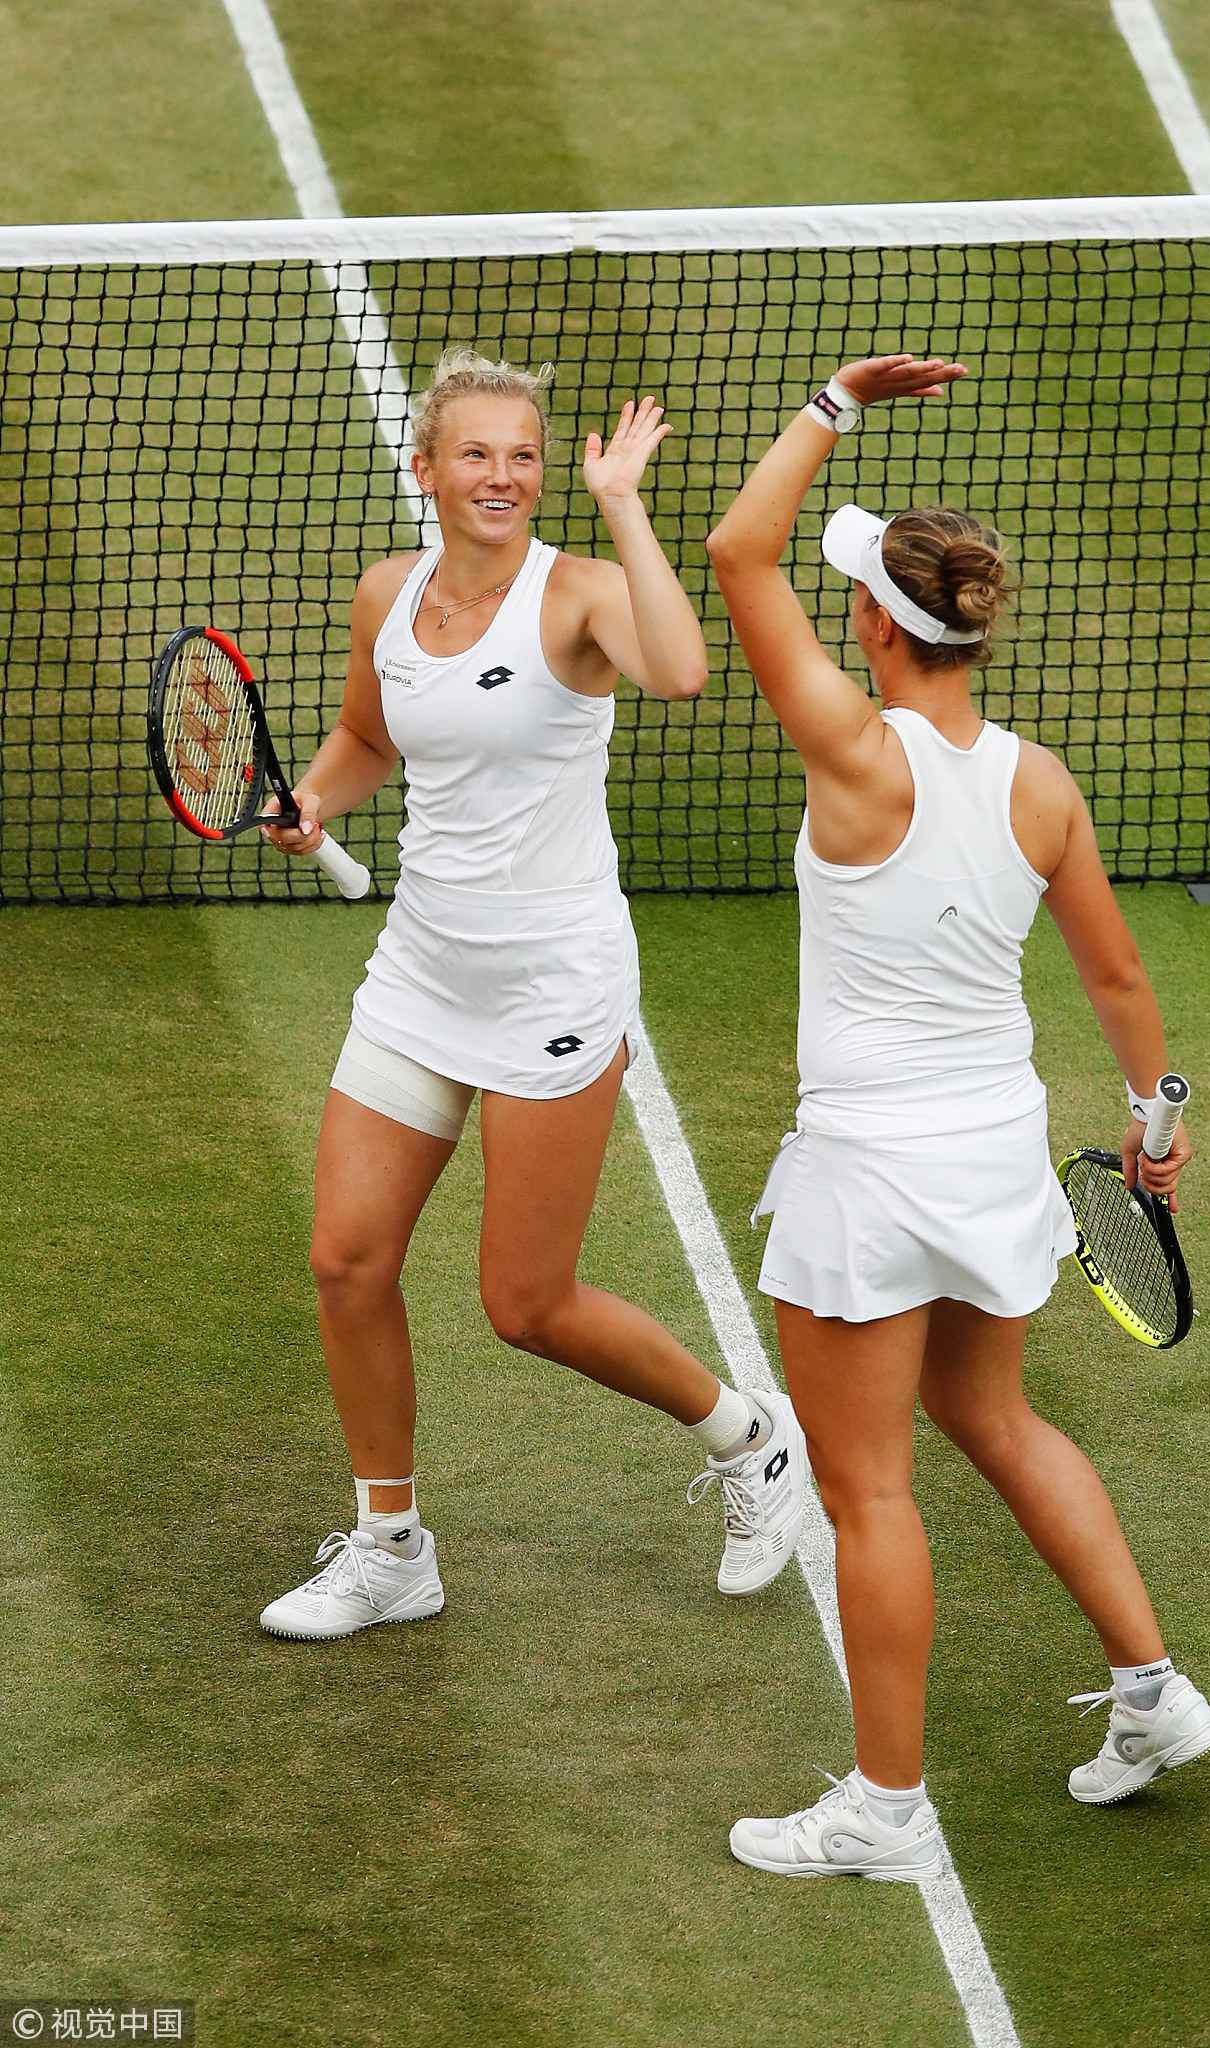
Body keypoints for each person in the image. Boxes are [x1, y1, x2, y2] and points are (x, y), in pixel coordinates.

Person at [705, 353, 1210, 1882]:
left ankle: (882, 1807)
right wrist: (1153, 1119)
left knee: (867, 1488)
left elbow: (737, 552)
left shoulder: (852, 755)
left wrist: (830, 402)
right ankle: (1150, 1691)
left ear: (877, 621)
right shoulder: (1038, 784)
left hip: (870, 1168)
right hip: (996, 1146)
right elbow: (1117, 971)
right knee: (989, 1414)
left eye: (856, 588)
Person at [256, 346, 806, 1641]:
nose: (501, 476)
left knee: (527, 1302)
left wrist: (621, 501)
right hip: (422, 968)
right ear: (426, 469)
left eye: (523, 455)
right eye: (476, 454)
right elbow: (370, 737)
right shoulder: (387, 593)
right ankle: (390, 1544)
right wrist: (318, 800)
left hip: (552, 976)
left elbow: (679, 673)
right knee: (344, 1259)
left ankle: (748, 1437)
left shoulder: (581, 594)